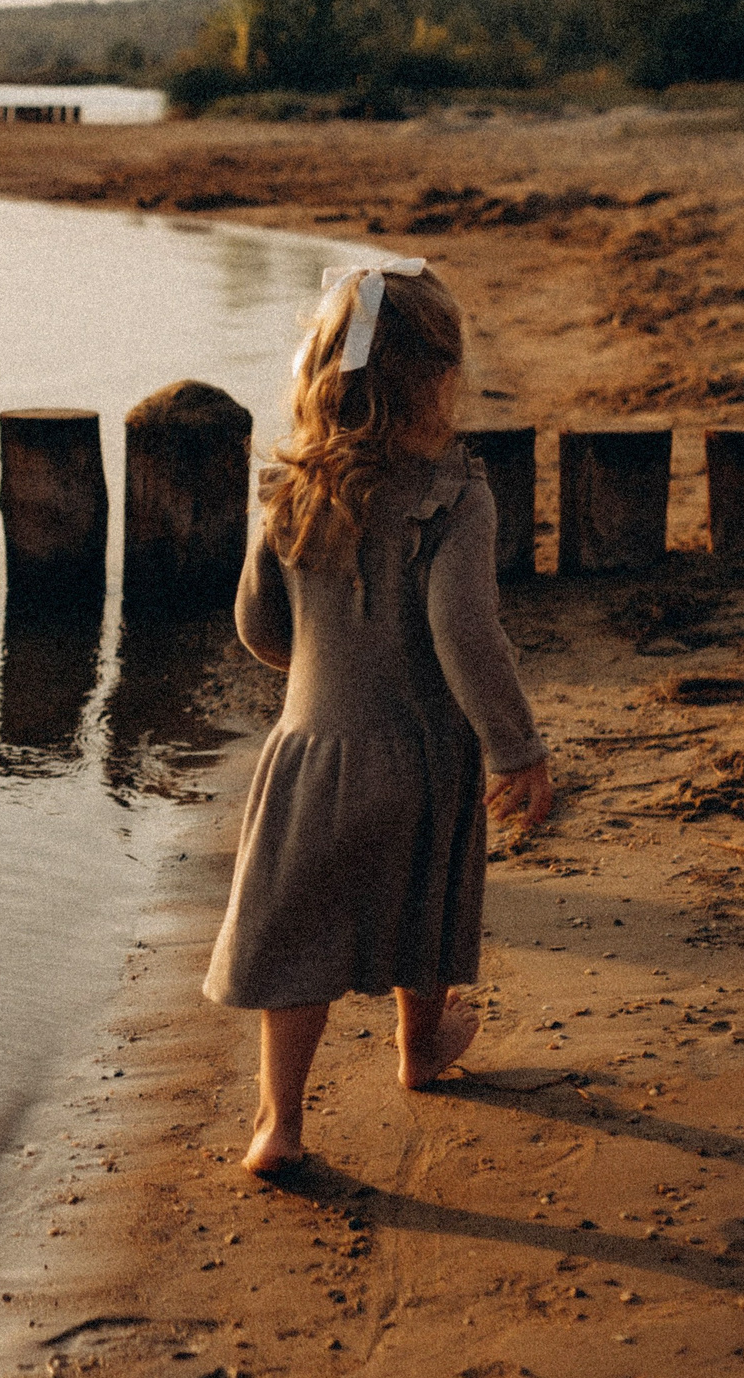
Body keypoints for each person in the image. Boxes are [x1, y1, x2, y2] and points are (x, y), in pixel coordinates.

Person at [202, 259, 553, 1176]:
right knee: (423, 901)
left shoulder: (290, 490)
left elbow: (256, 624)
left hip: (308, 754)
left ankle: (279, 1123)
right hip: (423, 752)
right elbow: (464, 632)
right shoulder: (457, 496)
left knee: (298, 946)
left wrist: (317, 670)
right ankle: (420, 1047)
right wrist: (516, 746)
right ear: (438, 380)